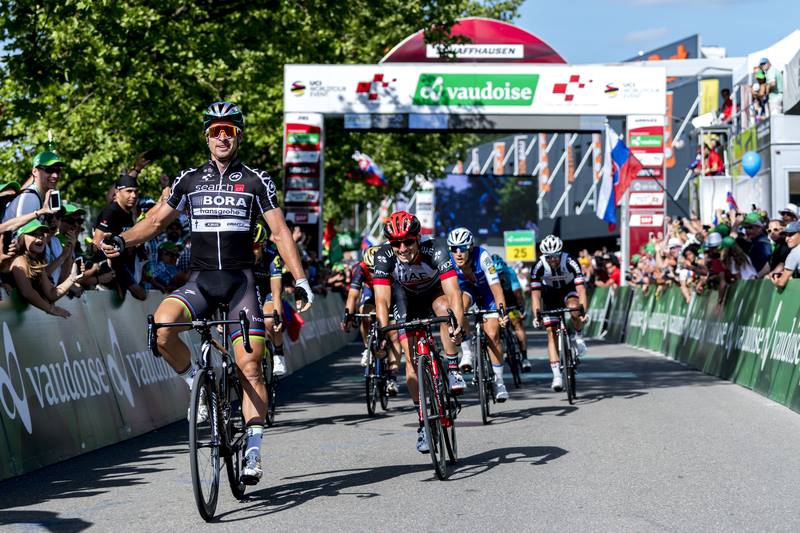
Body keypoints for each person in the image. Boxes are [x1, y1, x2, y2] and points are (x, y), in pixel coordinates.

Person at [100, 101, 313, 485]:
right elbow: (153, 223)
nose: (221, 137)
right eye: (215, 130)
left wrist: (300, 279)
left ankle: (252, 448)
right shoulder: (188, 180)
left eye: (228, 130)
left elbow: (279, 233)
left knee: (250, 365)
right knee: (162, 328)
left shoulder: (255, 180)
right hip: (199, 282)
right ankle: (197, 383)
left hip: (240, 284)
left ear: (238, 136)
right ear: (207, 137)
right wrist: (121, 239)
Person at [372, 211, 464, 453]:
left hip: (434, 294)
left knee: (446, 310)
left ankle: (452, 368)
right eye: (396, 243)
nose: (402, 248)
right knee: (411, 359)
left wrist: (458, 325)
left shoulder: (436, 249)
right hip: (405, 300)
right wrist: (383, 332)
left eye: (408, 242)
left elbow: (454, 293)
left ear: (417, 238)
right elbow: (381, 301)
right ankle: (423, 422)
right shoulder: (383, 256)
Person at [447, 227, 509, 402]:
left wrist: (501, 313)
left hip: (488, 291)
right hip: (468, 291)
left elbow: (497, 290)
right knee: (460, 305)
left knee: (492, 333)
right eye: (453, 249)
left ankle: (499, 381)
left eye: (463, 248)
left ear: (471, 248)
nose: (458, 253)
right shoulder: (449, 262)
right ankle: (467, 352)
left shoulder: (483, 257)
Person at [529, 235, 588, 392]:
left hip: (568, 291)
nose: (553, 259)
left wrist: (583, 312)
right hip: (550, 295)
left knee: (575, 309)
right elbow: (535, 294)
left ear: (560, 253)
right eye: (549, 257)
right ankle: (556, 376)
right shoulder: (539, 266)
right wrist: (536, 315)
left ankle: (579, 336)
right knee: (550, 332)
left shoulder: (570, 261)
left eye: (555, 256)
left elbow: (581, 289)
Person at [93, 173, 147, 300]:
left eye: (136, 192)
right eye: (129, 191)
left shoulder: (127, 213)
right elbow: (96, 243)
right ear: (117, 192)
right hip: (112, 268)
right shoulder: (111, 212)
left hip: (125, 266)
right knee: (141, 294)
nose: (134, 196)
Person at [10, 219, 78, 318]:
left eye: (42, 234)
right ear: (21, 238)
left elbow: (51, 294)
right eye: (33, 234)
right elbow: (27, 292)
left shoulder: (38, 264)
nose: (40, 237)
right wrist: (50, 309)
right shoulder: (19, 259)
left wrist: (72, 278)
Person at [252, 221, 287, 377]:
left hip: (269, 291)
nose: (251, 251)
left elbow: (276, 291)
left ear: (263, 245)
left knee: (269, 320)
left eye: (255, 247)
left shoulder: (272, 256)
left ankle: (278, 354)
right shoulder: (239, 255)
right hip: (250, 290)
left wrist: (276, 314)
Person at [492, 253, 531, 372]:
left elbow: (518, 293)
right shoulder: (489, 274)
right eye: (497, 273)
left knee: (517, 323)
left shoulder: (510, 272)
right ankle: (503, 349)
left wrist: (520, 308)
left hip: (510, 299)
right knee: (494, 326)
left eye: (501, 273)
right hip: (495, 300)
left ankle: (524, 357)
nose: (499, 276)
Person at [3, 150, 64, 223]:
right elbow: (22, 234)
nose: (55, 175)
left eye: (58, 171)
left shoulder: (40, 195)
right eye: (49, 170)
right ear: (35, 172)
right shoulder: (30, 197)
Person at [771, 221, 800, 289]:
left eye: (791, 234)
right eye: (786, 235)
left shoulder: (795, 252)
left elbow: (781, 283)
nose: (786, 239)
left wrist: (775, 279)